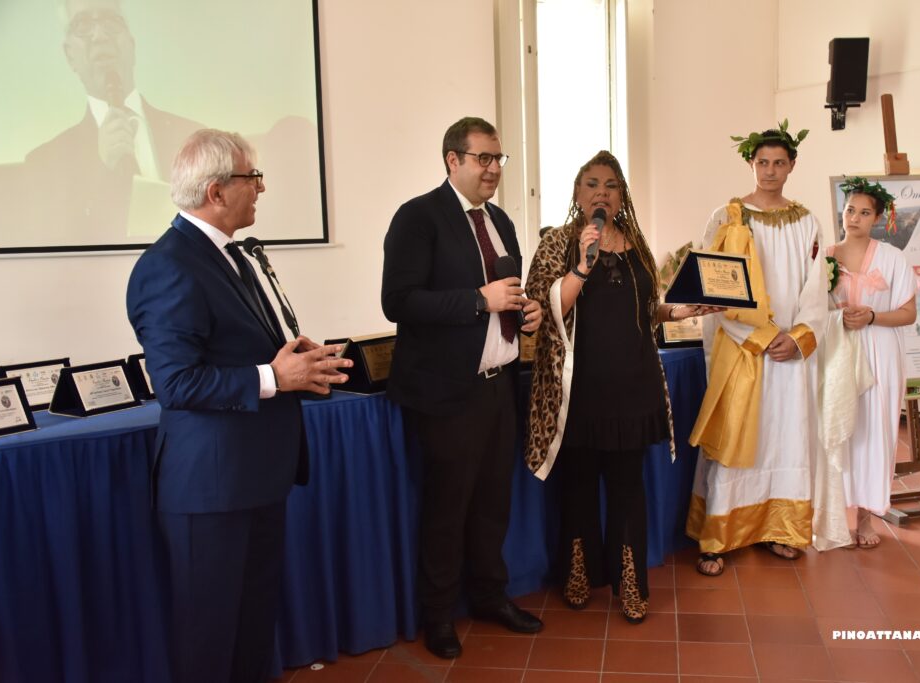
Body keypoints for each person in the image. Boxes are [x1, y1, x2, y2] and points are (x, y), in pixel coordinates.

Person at [126, 129, 351, 682]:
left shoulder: (234, 256)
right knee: (209, 639)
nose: (262, 188)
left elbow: (241, 350)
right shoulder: (168, 265)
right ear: (216, 191)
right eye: (253, 177)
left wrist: (297, 364)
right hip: (211, 488)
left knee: (252, 629)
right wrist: (274, 376)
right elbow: (176, 383)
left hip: (255, 476)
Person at [524, 150, 718, 623]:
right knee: (578, 486)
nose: (602, 193)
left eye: (611, 185)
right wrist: (582, 264)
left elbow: (648, 309)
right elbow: (544, 309)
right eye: (592, 184)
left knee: (628, 489)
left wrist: (680, 310)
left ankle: (630, 583)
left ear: (621, 194)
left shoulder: (635, 242)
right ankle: (578, 574)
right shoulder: (558, 243)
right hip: (578, 392)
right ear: (577, 193)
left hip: (633, 387)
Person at [381, 117, 544, 659]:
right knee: (448, 509)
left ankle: (490, 597)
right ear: (453, 160)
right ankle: (438, 616)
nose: (494, 169)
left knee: (493, 504)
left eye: (499, 159)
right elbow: (398, 301)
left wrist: (526, 312)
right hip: (446, 392)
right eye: (483, 159)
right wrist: (479, 299)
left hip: (499, 387)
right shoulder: (418, 216)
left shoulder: (500, 221)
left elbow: (508, 296)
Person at [687, 121, 828, 577]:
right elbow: (716, 287)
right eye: (762, 162)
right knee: (737, 438)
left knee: (785, 438)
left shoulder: (807, 222)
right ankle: (718, 536)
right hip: (744, 348)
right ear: (751, 163)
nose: (770, 171)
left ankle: (778, 529)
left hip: (790, 351)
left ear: (792, 166)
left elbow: (816, 289)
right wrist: (763, 337)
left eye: (778, 163)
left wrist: (799, 336)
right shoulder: (728, 217)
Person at [25, 0, 203, 239]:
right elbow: (58, 242)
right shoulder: (44, 164)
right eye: (83, 25)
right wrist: (103, 169)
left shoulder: (195, 138)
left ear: (131, 45)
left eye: (110, 21)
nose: (99, 35)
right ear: (70, 56)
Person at [829, 177, 917, 548]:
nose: (855, 218)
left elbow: (909, 313)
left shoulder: (893, 258)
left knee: (873, 431)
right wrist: (838, 317)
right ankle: (834, 519)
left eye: (865, 213)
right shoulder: (824, 256)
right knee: (836, 430)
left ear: (877, 219)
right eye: (850, 210)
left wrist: (872, 317)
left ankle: (865, 518)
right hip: (837, 352)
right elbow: (810, 309)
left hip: (880, 352)